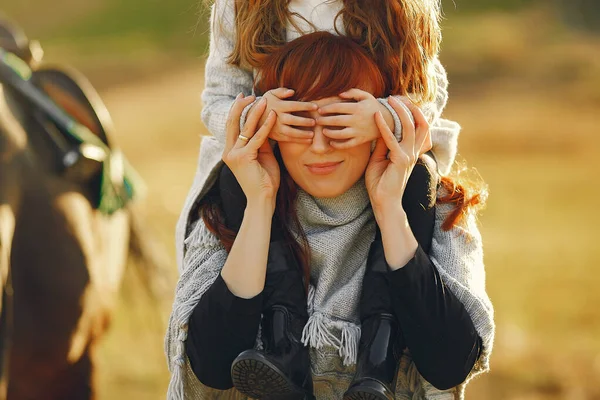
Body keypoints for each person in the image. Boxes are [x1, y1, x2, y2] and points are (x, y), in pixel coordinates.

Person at [166, 32, 494, 400]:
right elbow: (212, 362)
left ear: (376, 127)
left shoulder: (437, 207)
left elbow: (450, 362)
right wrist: (260, 203)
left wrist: (389, 209)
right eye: (301, 125)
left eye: (340, 124)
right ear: (272, 131)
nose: (320, 146)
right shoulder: (230, 208)